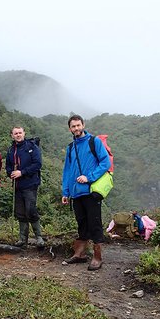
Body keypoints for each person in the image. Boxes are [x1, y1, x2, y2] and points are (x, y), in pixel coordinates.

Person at [61, 115, 111, 270]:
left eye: (78, 125)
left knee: (94, 222)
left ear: (83, 125)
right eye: (73, 126)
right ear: (70, 129)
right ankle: (80, 254)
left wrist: (89, 177)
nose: (76, 128)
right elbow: (67, 171)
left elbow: (105, 162)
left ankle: (97, 256)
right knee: (81, 222)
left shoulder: (93, 141)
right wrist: (66, 192)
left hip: (91, 191)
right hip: (76, 193)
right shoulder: (71, 147)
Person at [5, 126, 45, 248]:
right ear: (12, 135)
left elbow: (38, 164)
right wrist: (10, 173)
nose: (18, 135)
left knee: (30, 210)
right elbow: (8, 166)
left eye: (20, 133)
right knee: (20, 212)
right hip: (17, 186)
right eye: (15, 133)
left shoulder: (32, 147)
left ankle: (39, 237)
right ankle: (23, 239)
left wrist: (22, 172)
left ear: (24, 133)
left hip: (30, 184)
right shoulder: (11, 150)